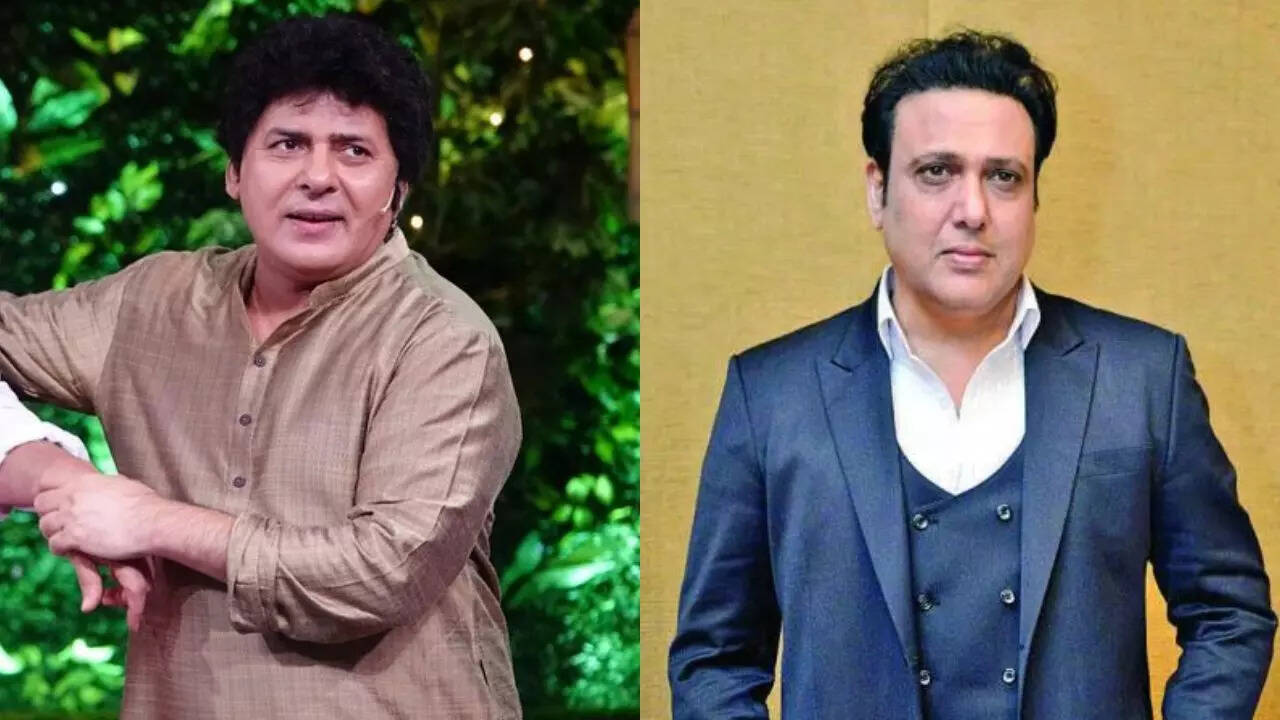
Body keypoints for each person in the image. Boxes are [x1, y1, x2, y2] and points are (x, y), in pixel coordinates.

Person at [668, 30, 1274, 719]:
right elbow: (713, 660)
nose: (973, 211)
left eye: (1003, 176)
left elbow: (1230, 613)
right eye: (937, 172)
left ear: (1035, 197)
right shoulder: (772, 395)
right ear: (877, 190)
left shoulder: (1141, 379)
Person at [0, 14, 522, 719]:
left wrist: (153, 522)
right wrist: (54, 473)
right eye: (287, 144)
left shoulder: (443, 339)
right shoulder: (152, 303)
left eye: (354, 151)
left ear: (398, 188)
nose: (318, 178)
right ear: (234, 171)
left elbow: (383, 570)